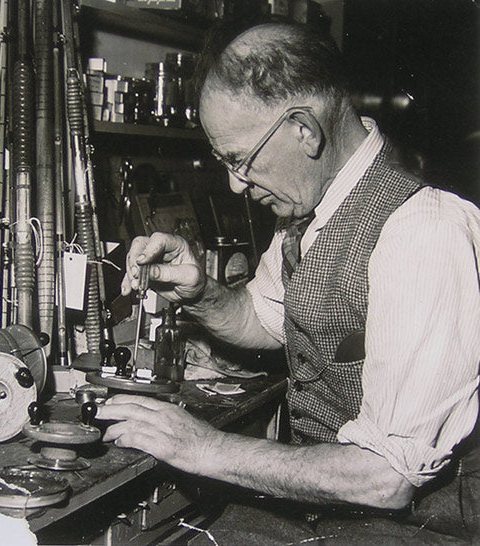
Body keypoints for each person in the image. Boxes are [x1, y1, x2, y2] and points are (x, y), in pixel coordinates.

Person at [96, 21, 480, 544]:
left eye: (241, 160)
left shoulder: (425, 232)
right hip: (338, 508)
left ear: (304, 128)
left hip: (428, 523)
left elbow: (387, 477)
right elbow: (266, 319)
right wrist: (201, 292)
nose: (234, 184)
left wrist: (201, 447)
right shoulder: (314, 209)